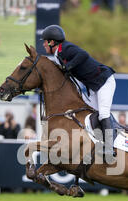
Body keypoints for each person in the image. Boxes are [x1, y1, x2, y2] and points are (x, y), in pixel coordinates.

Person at [41, 24, 116, 162]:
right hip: (93, 86)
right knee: (90, 113)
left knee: (103, 113)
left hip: (104, 81)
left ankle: (110, 147)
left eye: (45, 41)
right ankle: (96, 143)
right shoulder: (58, 55)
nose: (44, 44)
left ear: (52, 42)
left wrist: (68, 66)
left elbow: (83, 54)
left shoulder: (66, 48)